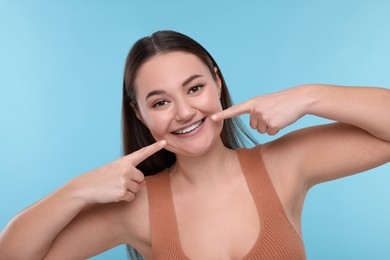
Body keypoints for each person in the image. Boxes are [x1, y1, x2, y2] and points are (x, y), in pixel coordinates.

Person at [0, 30, 389, 260]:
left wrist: (309, 96)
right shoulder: (135, 207)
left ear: (217, 83)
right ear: (139, 115)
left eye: (195, 88)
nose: (185, 112)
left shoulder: (283, 164)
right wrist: (77, 190)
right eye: (160, 102)